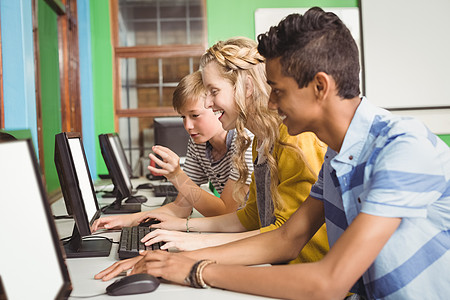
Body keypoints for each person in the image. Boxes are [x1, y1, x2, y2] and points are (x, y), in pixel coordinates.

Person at [95, 7, 450, 299]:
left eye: (278, 90)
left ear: (319, 86)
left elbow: (329, 282)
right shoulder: (340, 155)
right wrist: (171, 258)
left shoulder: (403, 148)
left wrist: (195, 269)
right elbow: (286, 239)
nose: (269, 101)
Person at [124, 37, 328, 256]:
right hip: (275, 262)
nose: (209, 104)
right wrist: (183, 227)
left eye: (214, 91)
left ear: (247, 87)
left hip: (302, 270)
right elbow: (251, 218)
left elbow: (286, 235)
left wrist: (197, 243)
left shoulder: (294, 138)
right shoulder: (261, 140)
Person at [92, 71, 254, 232]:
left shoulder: (245, 141)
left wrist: (177, 176)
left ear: (216, 107)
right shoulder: (199, 143)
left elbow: (226, 212)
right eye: (183, 117)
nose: (188, 126)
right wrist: (129, 219)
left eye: (195, 115)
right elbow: (181, 207)